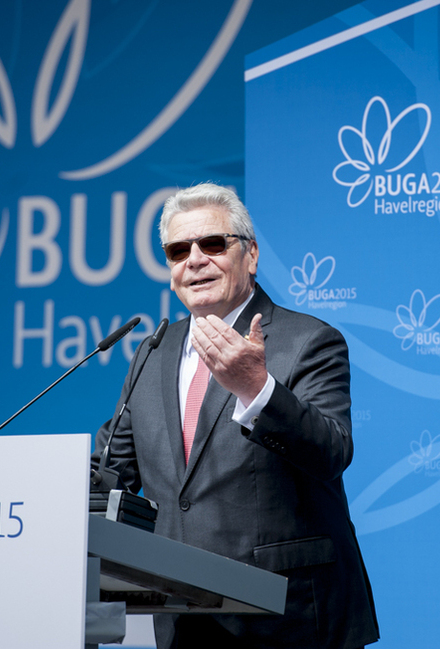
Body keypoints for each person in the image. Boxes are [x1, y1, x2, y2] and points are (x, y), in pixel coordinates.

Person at [93, 183, 378, 648]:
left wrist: (257, 389)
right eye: (178, 250)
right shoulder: (153, 352)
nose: (195, 260)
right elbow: (112, 472)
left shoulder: (309, 341)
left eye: (212, 244)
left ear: (251, 255)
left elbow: (331, 451)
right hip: (186, 622)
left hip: (292, 619)